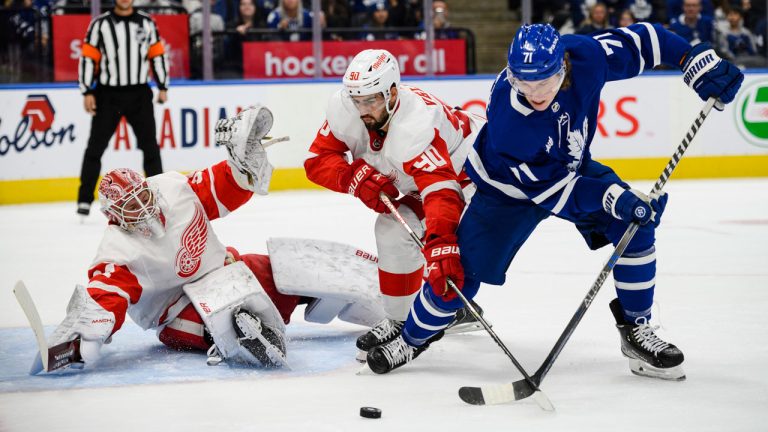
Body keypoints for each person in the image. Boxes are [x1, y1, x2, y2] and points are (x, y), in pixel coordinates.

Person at [367, 23, 743, 380]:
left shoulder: (585, 56)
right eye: (523, 82)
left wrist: (691, 58)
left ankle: (637, 328)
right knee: (458, 278)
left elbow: (643, 41)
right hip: (506, 190)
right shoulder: (512, 120)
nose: (535, 93)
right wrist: (614, 198)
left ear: (563, 63)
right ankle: (412, 338)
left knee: (636, 227)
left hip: (568, 169)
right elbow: (554, 192)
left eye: (544, 81)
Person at [33, 106, 387, 373]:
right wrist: (84, 336)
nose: (142, 207)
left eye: (142, 196)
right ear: (114, 218)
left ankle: (394, 305)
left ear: (148, 187)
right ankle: (234, 337)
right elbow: (107, 296)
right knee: (215, 318)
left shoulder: (172, 188)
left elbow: (222, 188)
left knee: (291, 269)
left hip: (226, 271)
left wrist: (242, 166)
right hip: (177, 312)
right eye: (130, 207)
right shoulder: (117, 251)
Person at [304, 49, 487, 361]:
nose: (362, 109)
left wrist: (441, 242)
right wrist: (353, 178)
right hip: (423, 179)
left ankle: (442, 314)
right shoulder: (345, 107)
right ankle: (401, 319)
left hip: (469, 175)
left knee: (422, 238)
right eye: (356, 100)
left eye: (370, 100)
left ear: (392, 92)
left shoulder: (416, 125)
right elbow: (316, 160)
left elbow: (441, 193)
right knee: (391, 229)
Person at [76, 0, 168, 217]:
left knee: (150, 148)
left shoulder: (146, 23)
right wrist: (87, 90)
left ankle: (161, 196)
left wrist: (163, 86)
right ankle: (84, 200)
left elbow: (157, 55)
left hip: (139, 93)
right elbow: (88, 59)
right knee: (95, 148)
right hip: (108, 95)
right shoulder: (100, 25)